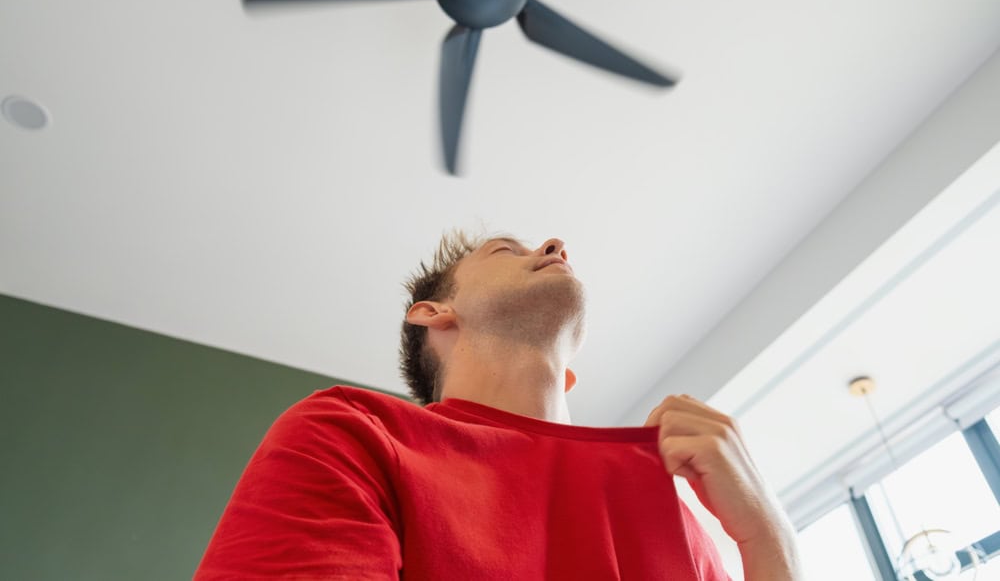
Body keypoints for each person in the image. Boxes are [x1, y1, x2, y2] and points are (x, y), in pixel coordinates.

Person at [196, 232, 803, 580]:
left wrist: (770, 538)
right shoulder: (351, 433)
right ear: (434, 313)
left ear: (567, 375)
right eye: (504, 249)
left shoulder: (671, 509)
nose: (554, 244)